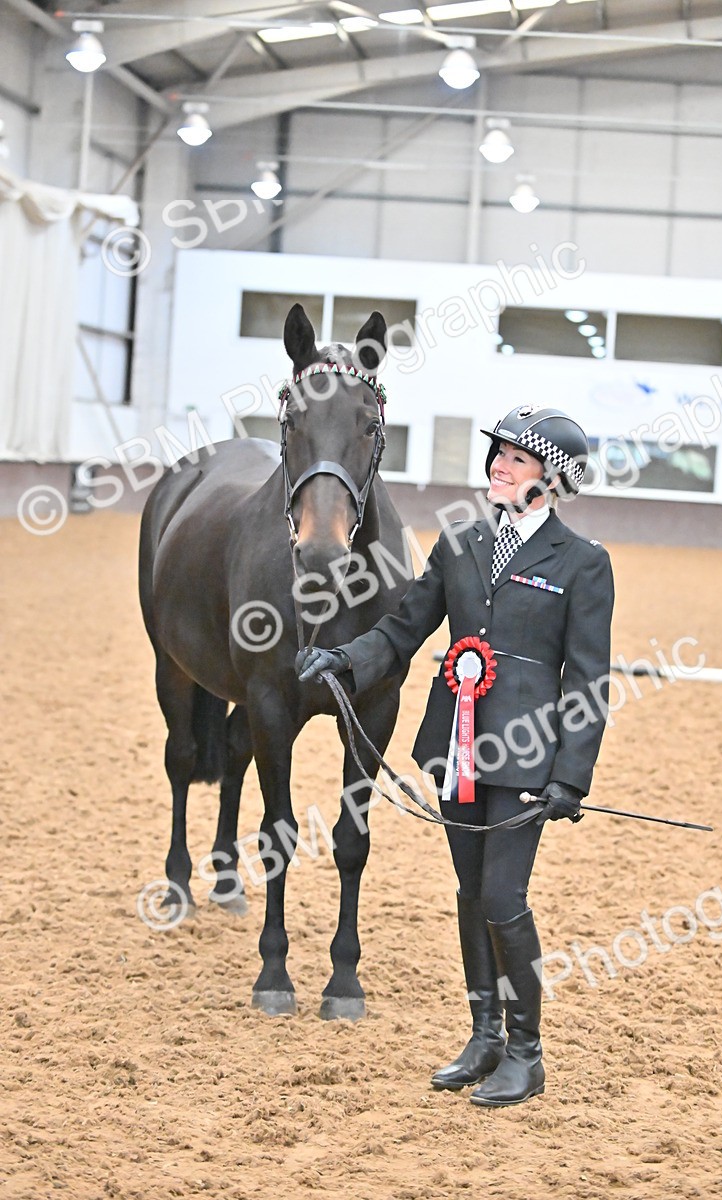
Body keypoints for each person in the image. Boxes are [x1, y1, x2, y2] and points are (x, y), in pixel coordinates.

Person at [296, 406, 614, 1107]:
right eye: (497, 453)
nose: (499, 465)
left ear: (553, 479)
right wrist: (344, 660)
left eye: (517, 459)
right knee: (471, 894)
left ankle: (527, 1052)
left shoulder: (584, 563)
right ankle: (484, 1035)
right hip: (458, 748)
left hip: (528, 758)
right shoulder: (461, 542)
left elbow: (589, 679)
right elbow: (404, 627)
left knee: (504, 898)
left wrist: (571, 776)